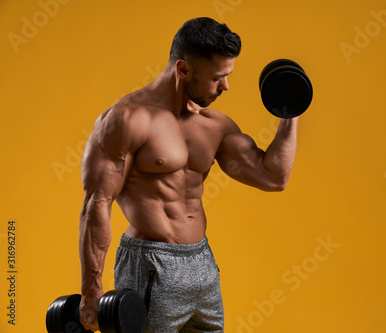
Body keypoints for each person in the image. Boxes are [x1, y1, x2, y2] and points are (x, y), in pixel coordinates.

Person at [79, 17, 298, 332]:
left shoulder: (214, 125)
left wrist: (290, 111)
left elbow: (273, 177)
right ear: (183, 69)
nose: (226, 86)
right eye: (218, 77)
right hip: (151, 265)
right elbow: (96, 204)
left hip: (202, 265)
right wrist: (90, 291)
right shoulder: (127, 121)